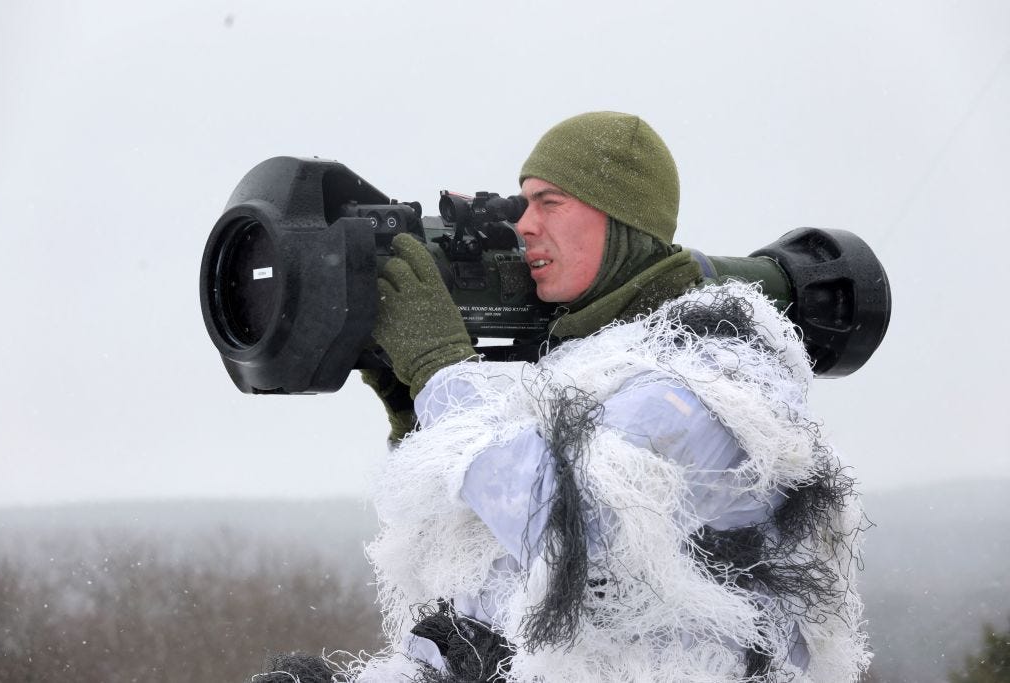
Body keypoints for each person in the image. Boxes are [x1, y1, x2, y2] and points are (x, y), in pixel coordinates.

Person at [346, 112, 870, 683]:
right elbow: (483, 553)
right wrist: (416, 411)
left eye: (550, 203)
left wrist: (440, 372)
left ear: (620, 219)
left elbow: (571, 530)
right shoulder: (584, 359)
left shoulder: (711, 374)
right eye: (523, 204)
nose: (523, 225)